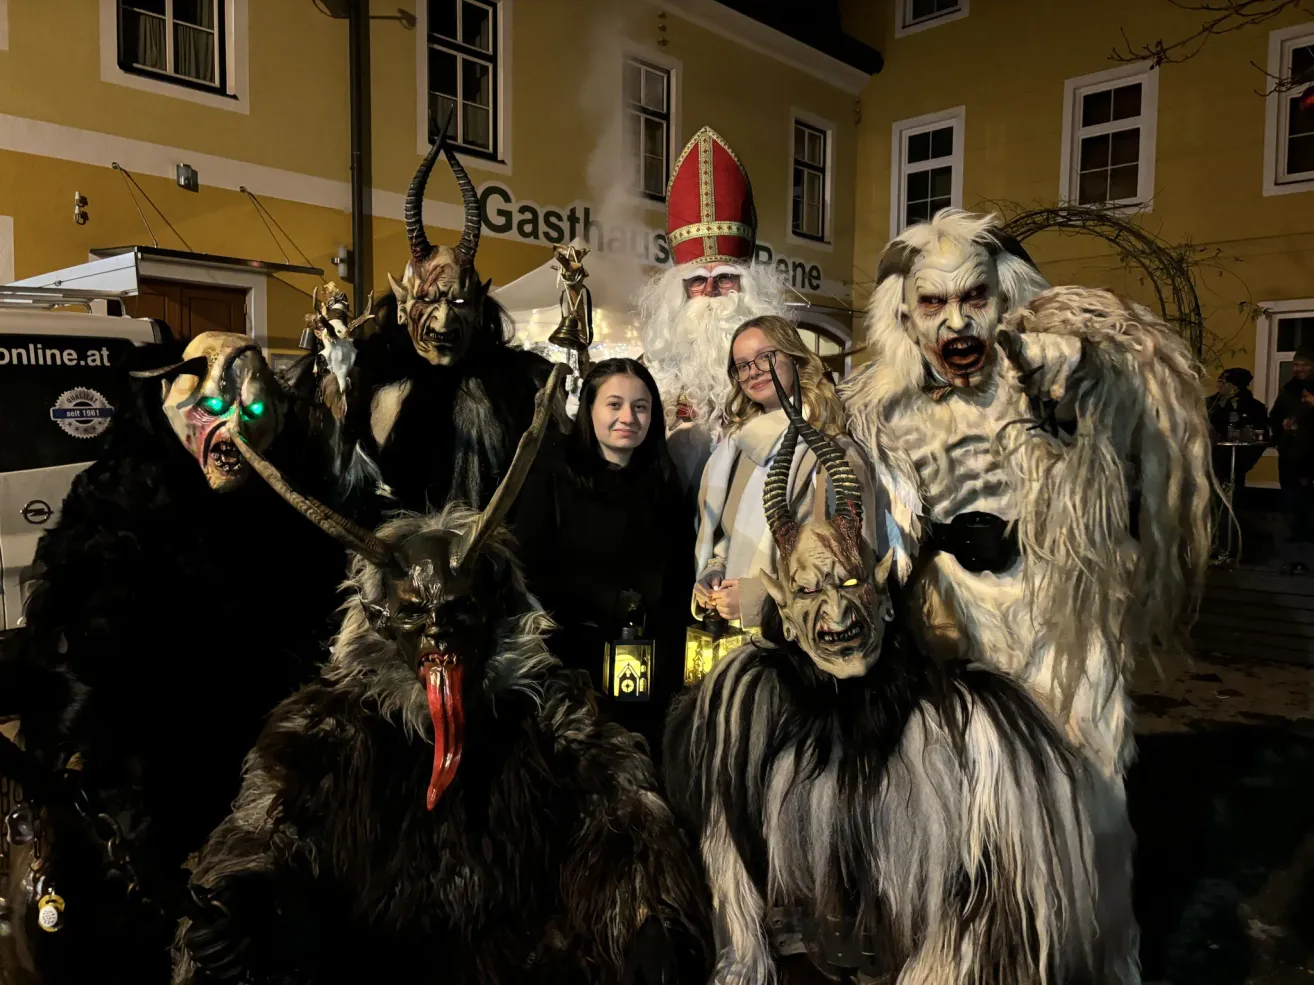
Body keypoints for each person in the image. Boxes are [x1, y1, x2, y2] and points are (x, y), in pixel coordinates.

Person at [175, 369, 710, 985]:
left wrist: (648, 918)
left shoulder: (550, 718)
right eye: (415, 616)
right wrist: (247, 908)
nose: (437, 635)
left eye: (457, 614)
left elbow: (624, 822)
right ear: (379, 620)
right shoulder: (326, 729)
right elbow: (262, 837)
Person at [664, 370, 1131, 985]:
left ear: (884, 591)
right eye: (808, 593)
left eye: (852, 586)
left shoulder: (971, 725)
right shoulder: (744, 712)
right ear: (783, 604)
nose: (835, 612)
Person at [512, 359, 693, 759]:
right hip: (570, 672)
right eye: (614, 404)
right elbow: (527, 568)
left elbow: (680, 575)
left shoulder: (663, 480)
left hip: (649, 677)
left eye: (641, 406)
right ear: (589, 408)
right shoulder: (551, 472)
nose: (628, 417)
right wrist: (606, 600)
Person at [693, 315, 879, 633]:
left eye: (766, 357)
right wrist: (715, 571)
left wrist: (758, 599)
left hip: (804, 643)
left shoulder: (833, 449)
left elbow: (853, 566)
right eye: (742, 365)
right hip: (734, 638)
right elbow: (730, 536)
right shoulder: (734, 450)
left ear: (793, 357)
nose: (753, 371)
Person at [635, 126, 789, 502]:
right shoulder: (652, 368)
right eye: (697, 283)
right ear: (680, 292)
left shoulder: (787, 369)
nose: (711, 292)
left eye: (725, 279)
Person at [1268, 349, 1314, 545]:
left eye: (1304, 365)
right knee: (1290, 493)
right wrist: (1282, 424)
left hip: (1312, 451)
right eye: (1296, 365)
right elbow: (1274, 416)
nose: (1299, 369)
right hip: (1290, 452)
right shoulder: (1288, 390)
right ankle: (1294, 531)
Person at [1206, 367, 1268, 493]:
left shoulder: (1254, 407)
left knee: (1234, 494)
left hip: (1237, 460)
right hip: (1210, 460)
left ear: (1234, 385)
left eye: (1223, 381)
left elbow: (1261, 435)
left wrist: (1244, 461)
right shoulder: (1210, 404)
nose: (1218, 385)